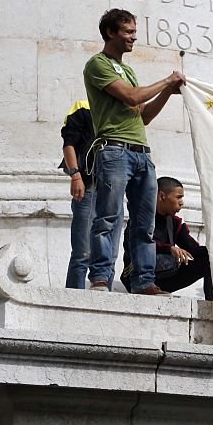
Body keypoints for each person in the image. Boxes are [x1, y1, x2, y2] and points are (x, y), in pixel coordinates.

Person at [83, 8, 186, 295]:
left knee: (145, 223)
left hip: (142, 153)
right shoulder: (97, 65)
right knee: (109, 217)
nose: (133, 37)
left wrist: (168, 92)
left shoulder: (127, 70)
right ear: (110, 33)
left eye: (133, 31)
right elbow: (131, 96)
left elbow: (145, 115)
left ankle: (144, 281)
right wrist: (166, 81)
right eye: (128, 32)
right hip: (115, 150)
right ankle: (101, 278)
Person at [58, 100, 121, 289]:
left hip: (113, 190)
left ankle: (104, 301)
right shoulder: (84, 106)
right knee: (83, 251)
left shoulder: (121, 108)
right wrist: (75, 175)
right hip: (89, 185)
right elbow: (69, 142)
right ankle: (73, 298)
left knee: (111, 254)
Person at [121, 177, 213, 300]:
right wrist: (169, 249)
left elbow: (193, 249)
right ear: (162, 196)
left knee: (207, 258)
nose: (181, 202)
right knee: (160, 256)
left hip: (165, 277)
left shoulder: (175, 222)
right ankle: (145, 286)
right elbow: (136, 246)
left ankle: (212, 301)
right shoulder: (141, 218)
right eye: (178, 197)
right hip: (136, 278)